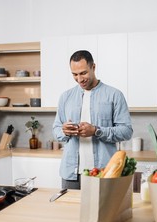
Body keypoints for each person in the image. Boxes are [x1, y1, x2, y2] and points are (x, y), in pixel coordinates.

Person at [52, 50, 133, 189]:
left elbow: (126, 131)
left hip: (104, 172)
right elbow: (56, 130)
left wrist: (96, 131)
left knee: (104, 210)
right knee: (68, 210)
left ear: (93, 67)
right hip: (71, 173)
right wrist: (64, 131)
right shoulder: (65, 97)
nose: (79, 79)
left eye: (83, 73)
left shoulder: (114, 95)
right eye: (74, 74)